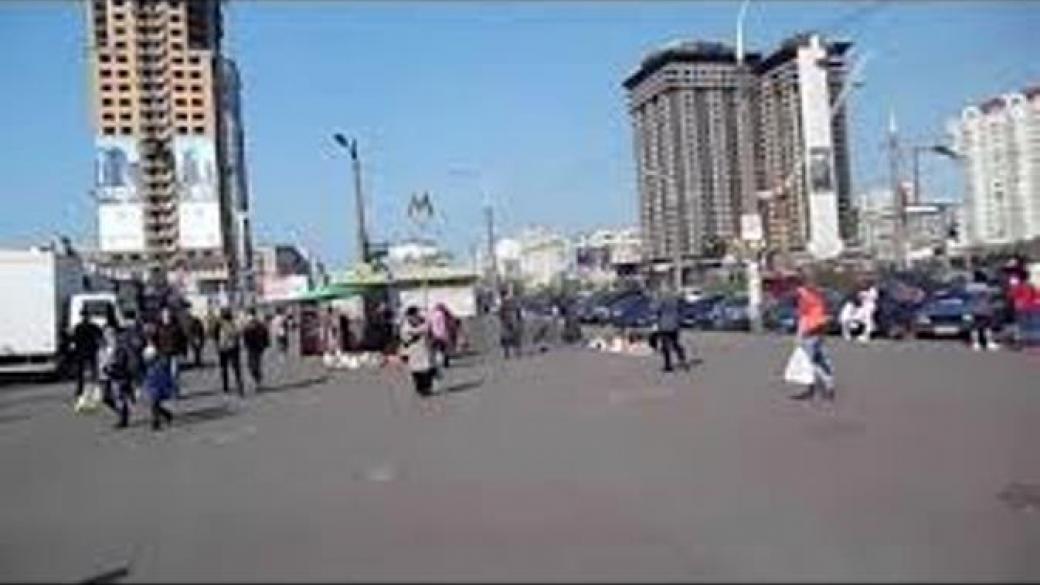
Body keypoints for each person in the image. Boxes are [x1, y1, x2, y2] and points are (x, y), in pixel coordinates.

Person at [789, 275, 836, 402]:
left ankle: (818, 388)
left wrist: (799, 336)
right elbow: (824, 312)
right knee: (821, 359)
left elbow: (803, 317)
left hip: (809, 330)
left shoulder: (804, 297)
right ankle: (827, 386)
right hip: (819, 329)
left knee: (808, 361)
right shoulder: (817, 296)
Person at [99, 324, 134, 428]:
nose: (108, 335)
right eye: (106, 333)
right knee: (105, 398)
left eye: (111, 333)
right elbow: (100, 361)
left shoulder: (120, 347)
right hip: (104, 376)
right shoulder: (103, 347)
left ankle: (123, 418)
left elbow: (123, 361)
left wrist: (113, 367)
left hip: (117, 375)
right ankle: (121, 412)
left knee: (119, 396)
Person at [400, 306, 436, 398]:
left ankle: (427, 387)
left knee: (427, 369)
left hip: (424, 349)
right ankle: (420, 388)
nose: (416, 316)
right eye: (413, 315)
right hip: (413, 351)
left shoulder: (423, 321)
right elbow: (405, 337)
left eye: (416, 314)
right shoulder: (406, 326)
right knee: (416, 371)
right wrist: (418, 332)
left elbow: (429, 332)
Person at [154, 307, 186, 397]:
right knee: (165, 374)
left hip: (174, 352)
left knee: (174, 373)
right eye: (165, 315)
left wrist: (183, 351)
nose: (167, 317)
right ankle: (167, 390)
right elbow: (155, 339)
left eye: (168, 315)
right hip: (163, 353)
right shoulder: (159, 327)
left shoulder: (176, 326)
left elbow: (182, 339)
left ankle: (175, 391)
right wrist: (157, 349)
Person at [69, 309, 102, 399]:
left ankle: (80, 390)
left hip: (81, 351)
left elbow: (74, 339)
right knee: (94, 371)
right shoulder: (93, 326)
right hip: (91, 351)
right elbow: (100, 336)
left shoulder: (78, 327)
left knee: (80, 372)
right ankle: (95, 389)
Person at [965, 270, 1000, 351]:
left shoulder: (969, 287)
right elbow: (992, 296)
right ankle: (989, 343)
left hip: (973, 309)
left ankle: (976, 343)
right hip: (985, 309)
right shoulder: (986, 287)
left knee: (975, 327)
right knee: (987, 327)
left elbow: (967, 297)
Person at [142, 343, 174, 431]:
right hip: (152, 387)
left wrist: (166, 388)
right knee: (154, 405)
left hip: (157, 388)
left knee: (154, 405)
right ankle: (166, 414)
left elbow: (163, 378)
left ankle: (156, 423)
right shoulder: (150, 366)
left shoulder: (159, 365)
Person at [655, 290, 688, 372]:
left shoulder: (662, 301)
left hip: (664, 325)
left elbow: (656, 309)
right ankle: (681, 357)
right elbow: (681, 311)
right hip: (674, 324)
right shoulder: (676, 301)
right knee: (675, 343)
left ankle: (668, 365)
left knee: (665, 346)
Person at [215, 308, 245, 396]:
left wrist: (217, 345)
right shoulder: (233, 323)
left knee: (224, 368)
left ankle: (226, 386)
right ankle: (239, 385)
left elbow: (215, 336)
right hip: (233, 348)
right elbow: (239, 334)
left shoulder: (219, 324)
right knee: (236, 368)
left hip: (223, 348)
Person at [242, 308, 270, 391]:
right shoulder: (248, 324)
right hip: (252, 347)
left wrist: (265, 344)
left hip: (257, 347)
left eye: (250, 314)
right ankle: (258, 379)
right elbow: (245, 336)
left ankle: (258, 382)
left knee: (254, 365)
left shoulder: (258, 324)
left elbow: (265, 333)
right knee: (251, 365)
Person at [498, 290, 524, 359]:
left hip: (509, 321)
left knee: (508, 337)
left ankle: (509, 353)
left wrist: (503, 320)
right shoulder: (513, 301)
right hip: (512, 320)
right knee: (514, 337)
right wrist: (519, 320)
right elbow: (519, 311)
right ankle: (517, 353)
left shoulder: (504, 303)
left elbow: (501, 313)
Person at [429, 303, 453, 371]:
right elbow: (444, 324)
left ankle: (433, 362)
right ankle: (445, 362)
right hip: (442, 334)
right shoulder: (443, 314)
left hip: (435, 334)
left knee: (434, 349)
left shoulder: (432, 314)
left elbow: (430, 324)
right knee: (444, 349)